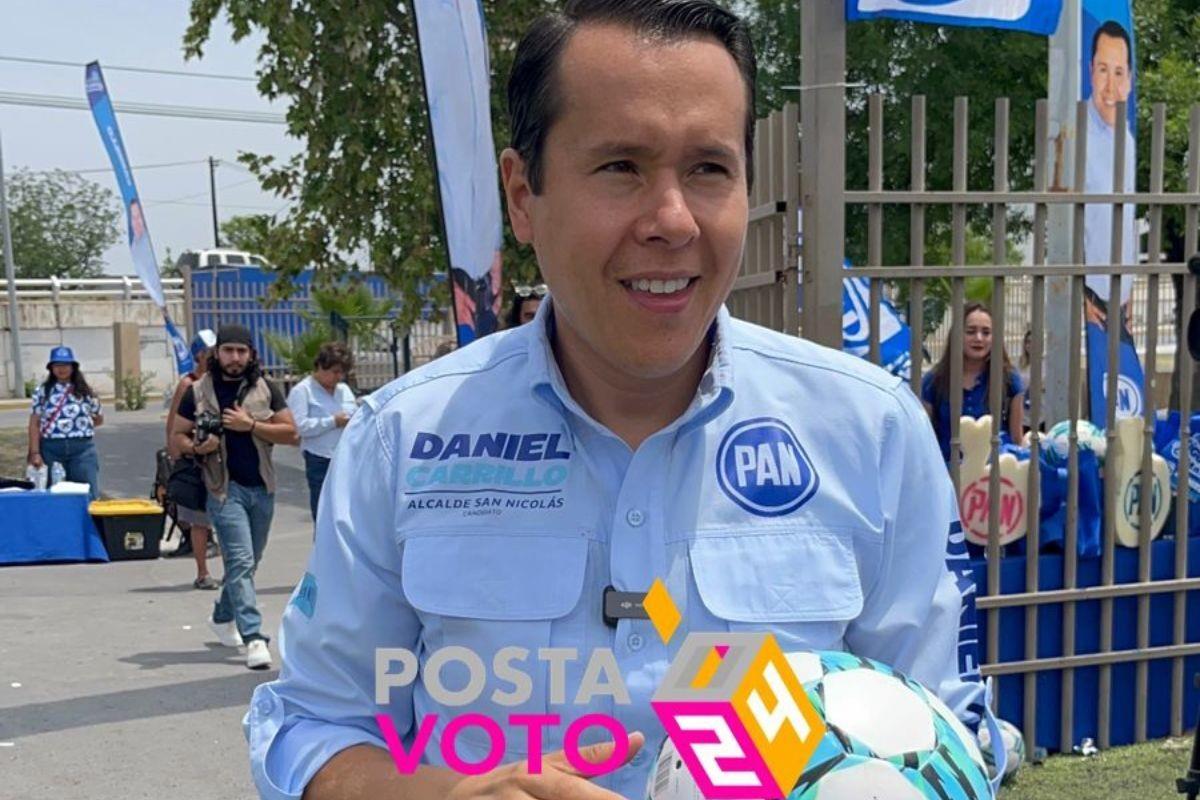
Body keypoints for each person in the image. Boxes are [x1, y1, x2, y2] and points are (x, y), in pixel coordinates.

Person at [247, 3, 995, 799]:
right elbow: (312, 724)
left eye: (709, 169)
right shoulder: (401, 441)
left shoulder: (872, 434)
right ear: (522, 194)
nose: (671, 220)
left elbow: (948, 741)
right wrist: (444, 794)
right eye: (621, 168)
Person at [172, 324, 297, 671]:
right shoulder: (196, 391)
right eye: (228, 350)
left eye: (242, 351)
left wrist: (252, 426)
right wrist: (199, 446)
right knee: (240, 562)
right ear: (217, 354)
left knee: (250, 562)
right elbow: (176, 439)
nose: (235, 358)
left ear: (251, 355)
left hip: (262, 488)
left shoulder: (266, 388)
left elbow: (291, 433)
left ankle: (222, 615)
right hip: (222, 489)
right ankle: (254, 637)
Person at [921, 302, 1025, 463]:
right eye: (970, 331)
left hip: (995, 476)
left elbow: (1017, 439)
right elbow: (925, 437)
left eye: (986, 332)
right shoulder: (934, 380)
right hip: (948, 473)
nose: (978, 338)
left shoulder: (1009, 379)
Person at [1083, 19, 1137, 325]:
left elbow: (1127, 219)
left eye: (1119, 73)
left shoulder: (1127, 142)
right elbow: (1059, 221)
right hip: (1084, 297)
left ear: (1129, 79)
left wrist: (1130, 286)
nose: (1110, 87)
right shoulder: (1073, 133)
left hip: (1120, 300)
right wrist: (1079, 294)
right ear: (1091, 70)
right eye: (1104, 70)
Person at [166, 329, 220, 590]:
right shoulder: (188, 384)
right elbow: (174, 425)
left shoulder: (221, 381)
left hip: (220, 461)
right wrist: (178, 457)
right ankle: (202, 571)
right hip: (194, 458)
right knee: (199, 520)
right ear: (200, 355)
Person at [286, 342, 357, 521]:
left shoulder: (344, 390)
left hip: (345, 457)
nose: (338, 377)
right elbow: (299, 426)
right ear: (319, 366)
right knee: (324, 513)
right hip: (319, 459)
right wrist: (333, 421)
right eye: (334, 371)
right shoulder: (302, 391)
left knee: (348, 513)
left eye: (342, 372)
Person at [26, 346, 103, 500]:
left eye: (66, 365)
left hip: (82, 450)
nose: (62, 369)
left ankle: (88, 524)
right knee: (53, 494)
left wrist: (79, 428)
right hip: (51, 449)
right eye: (57, 365)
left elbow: (99, 418)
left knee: (87, 494)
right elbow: (34, 423)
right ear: (51, 368)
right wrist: (35, 452)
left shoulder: (86, 391)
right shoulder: (42, 391)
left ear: (73, 367)